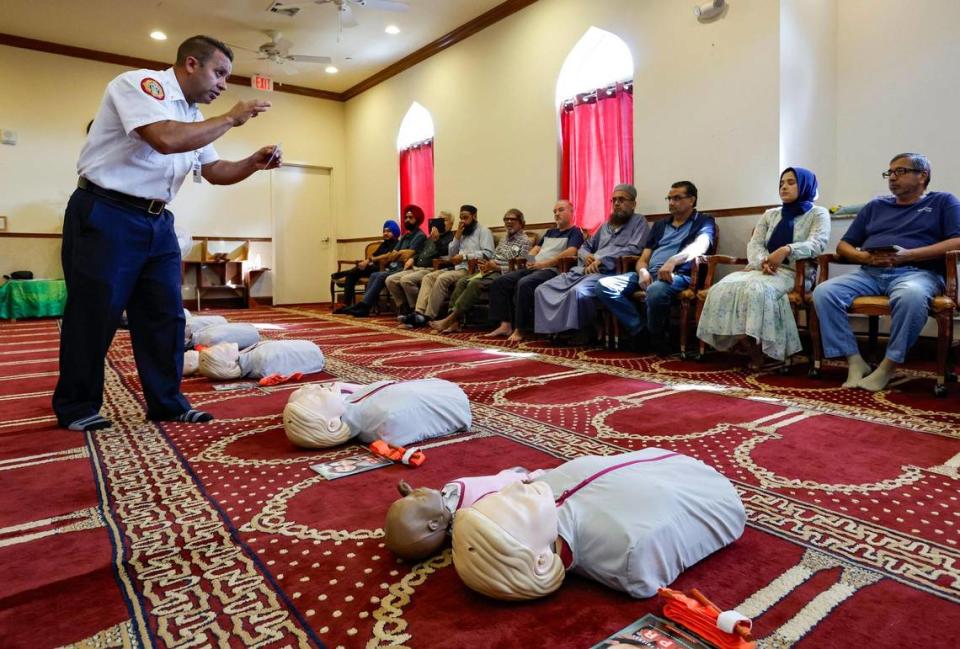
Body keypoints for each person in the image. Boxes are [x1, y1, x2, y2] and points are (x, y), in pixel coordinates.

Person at [53, 35, 279, 432]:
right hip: (107, 211)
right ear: (191, 64)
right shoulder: (140, 86)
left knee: (164, 316)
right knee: (95, 313)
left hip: (158, 222)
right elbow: (165, 139)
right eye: (219, 72)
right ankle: (76, 405)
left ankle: (167, 403)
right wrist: (230, 118)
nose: (224, 84)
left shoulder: (193, 116)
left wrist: (253, 163)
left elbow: (215, 170)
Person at [450, 448, 746, 601]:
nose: (514, 489)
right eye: (513, 508)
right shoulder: (629, 551)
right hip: (715, 489)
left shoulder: (545, 491)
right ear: (540, 561)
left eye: (500, 495)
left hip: (666, 462)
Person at [812, 153, 960, 391]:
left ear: (923, 175)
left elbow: (957, 241)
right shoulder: (875, 206)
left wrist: (909, 255)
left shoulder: (944, 202)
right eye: (889, 172)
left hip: (917, 272)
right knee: (824, 292)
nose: (892, 178)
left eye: (900, 171)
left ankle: (887, 366)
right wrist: (862, 256)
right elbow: (844, 245)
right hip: (869, 273)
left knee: (910, 296)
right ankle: (855, 360)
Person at [698, 168, 830, 366]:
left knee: (756, 290)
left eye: (791, 182)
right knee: (723, 286)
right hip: (761, 269)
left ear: (805, 186)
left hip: (794, 272)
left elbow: (817, 243)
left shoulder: (818, 213)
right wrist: (763, 262)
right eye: (781, 183)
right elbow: (755, 243)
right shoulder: (771, 214)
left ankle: (764, 350)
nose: (784, 186)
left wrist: (786, 250)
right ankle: (750, 347)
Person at [597, 181, 716, 354]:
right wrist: (643, 271)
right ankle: (641, 331)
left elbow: (700, 246)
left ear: (691, 200)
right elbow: (644, 257)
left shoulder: (704, 221)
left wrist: (673, 260)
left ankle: (655, 336)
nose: (671, 203)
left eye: (677, 198)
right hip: (650, 274)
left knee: (655, 290)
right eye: (669, 198)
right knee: (604, 285)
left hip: (679, 275)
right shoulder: (660, 225)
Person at [533, 185, 650, 342]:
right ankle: (557, 330)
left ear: (633, 204)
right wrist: (587, 256)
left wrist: (603, 259)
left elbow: (635, 248)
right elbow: (585, 246)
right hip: (584, 270)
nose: (616, 203)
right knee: (543, 288)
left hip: (609, 271)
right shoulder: (606, 225)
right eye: (614, 200)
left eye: (622, 200)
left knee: (578, 292)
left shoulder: (639, 222)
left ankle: (582, 331)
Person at [383, 468, 545, 560]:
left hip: (502, 476)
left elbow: (427, 511)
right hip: (526, 482)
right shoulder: (471, 512)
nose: (417, 492)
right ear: (434, 524)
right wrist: (530, 480)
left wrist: (412, 494)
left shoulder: (442, 507)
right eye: (418, 499)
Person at [484, 200, 584, 342]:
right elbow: (535, 249)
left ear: (572, 211)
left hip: (552, 270)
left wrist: (543, 264)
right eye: (555, 211)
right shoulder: (550, 231)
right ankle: (505, 324)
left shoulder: (575, 232)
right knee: (500, 281)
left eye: (561, 210)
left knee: (524, 283)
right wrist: (530, 260)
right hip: (535, 266)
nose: (556, 214)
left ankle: (521, 329)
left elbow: (571, 251)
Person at [283, 379, 471, 449]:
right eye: (316, 399)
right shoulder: (384, 422)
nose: (316, 391)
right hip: (453, 398)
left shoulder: (351, 406)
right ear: (332, 424)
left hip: (445, 389)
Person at [430, 209, 532, 334]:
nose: (509, 222)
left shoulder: (525, 241)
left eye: (512, 219)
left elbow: (522, 268)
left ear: (521, 223)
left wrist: (496, 268)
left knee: (475, 283)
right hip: (491, 270)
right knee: (462, 281)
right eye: (506, 219)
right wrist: (487, 265)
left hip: (504, 274)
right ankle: (455, 323)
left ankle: (450, 318)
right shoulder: (504, 239)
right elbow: (494, 257)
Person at [402, 205, 495, 328]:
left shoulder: (484, 231)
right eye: (461, 218)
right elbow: (451, 254)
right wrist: (457, 236)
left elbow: (488, 253)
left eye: (466, 218)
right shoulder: (462, 232)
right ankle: (419, 313)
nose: (462, 221)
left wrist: (465, 257)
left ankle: (429, 316)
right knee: (429, 277)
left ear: (474, 216)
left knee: (442, 278)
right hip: (457, 267)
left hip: (472, 269)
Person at [342, 206, 427, 317]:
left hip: (407, 268)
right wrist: (398, 254)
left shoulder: (420, 236)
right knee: (374, 274)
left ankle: (364, 306)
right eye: (406, 217)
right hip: (396, 266)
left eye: (410, 217)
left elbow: (408, 254)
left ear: (417, 219)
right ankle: (365, 306)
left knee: (381, 276)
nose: (407, 220)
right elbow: (392, 255)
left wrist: (398, 254)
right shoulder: (406, 235)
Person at [386, 211, 455, 317]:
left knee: (406, 280)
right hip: (416, 267)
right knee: (390, 280)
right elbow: (419, 252)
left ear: (451, 224)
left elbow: (445, 254)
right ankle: (404, 307)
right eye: (439, 219)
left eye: (444, 220)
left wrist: (437, 240)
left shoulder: (452, 238)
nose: (441, 222)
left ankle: (415, 310)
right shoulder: (430, 238)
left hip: (431, 269)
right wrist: (413, 259)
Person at [333, 220, 401, 311]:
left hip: (383, 269)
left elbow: (388, 255)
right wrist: (364, 262)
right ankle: (346, 304)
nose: (385, 233)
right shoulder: (384, 244)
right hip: (373, 267)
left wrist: (369, 260)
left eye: (388, 231)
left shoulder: (397, 243)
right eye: (384, 231)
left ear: (395, 232)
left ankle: (343, 274)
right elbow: (374, 255)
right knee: (352, 274)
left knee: (354, 272)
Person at [197, 340, 325, 380]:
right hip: (313, 352)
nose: (222, 344)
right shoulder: (262, 362)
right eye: (222, 350)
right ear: (230, 364)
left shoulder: (249, 358)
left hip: (313, 350)